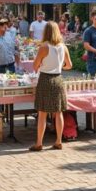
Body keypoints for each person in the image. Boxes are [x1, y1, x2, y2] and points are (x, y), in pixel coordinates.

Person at [30, 21, 72, 151]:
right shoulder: (63, 47)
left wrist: (44, 65)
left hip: (45, 79)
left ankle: (39, 143)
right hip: (58, 79)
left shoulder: (44, 47)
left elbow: (35, 65)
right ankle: (58, 141)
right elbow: (69, 65)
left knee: (42, 113)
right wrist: (59, 67)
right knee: (58, 112)